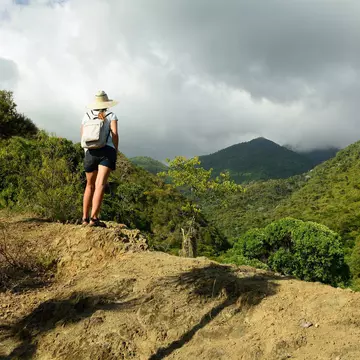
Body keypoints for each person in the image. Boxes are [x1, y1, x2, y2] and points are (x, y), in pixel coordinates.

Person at [81, 90, 119, 227]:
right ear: (107, 103)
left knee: (89, 185)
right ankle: (94, 218)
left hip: (90, 152)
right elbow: (114, 134)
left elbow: (83, 136)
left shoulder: (86, 116)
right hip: (106, 151)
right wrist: (116, 149)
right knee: (100, 184)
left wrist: (87, 152)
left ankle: (84, 218)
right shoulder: (111, 115)